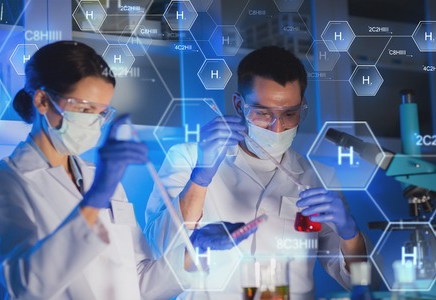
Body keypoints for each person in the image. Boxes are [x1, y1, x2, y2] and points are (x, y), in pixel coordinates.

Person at [0, 41, 254, 300]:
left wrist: (196, 249)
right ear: (43, 100)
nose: (94, 121)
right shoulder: (2, 183)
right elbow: (23, 289)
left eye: (102, 112)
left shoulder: (99, 178)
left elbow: (139, 281)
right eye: (85, 108)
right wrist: (99, 194)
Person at [145, 46, 372, 299]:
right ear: (238, 105)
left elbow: (359, 283)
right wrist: (201, 176)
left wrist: (349, 232)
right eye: (263, 113)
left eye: (289, 114)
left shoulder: (320, 177)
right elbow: (158, 250)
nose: (277, 128)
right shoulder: (187, 158)